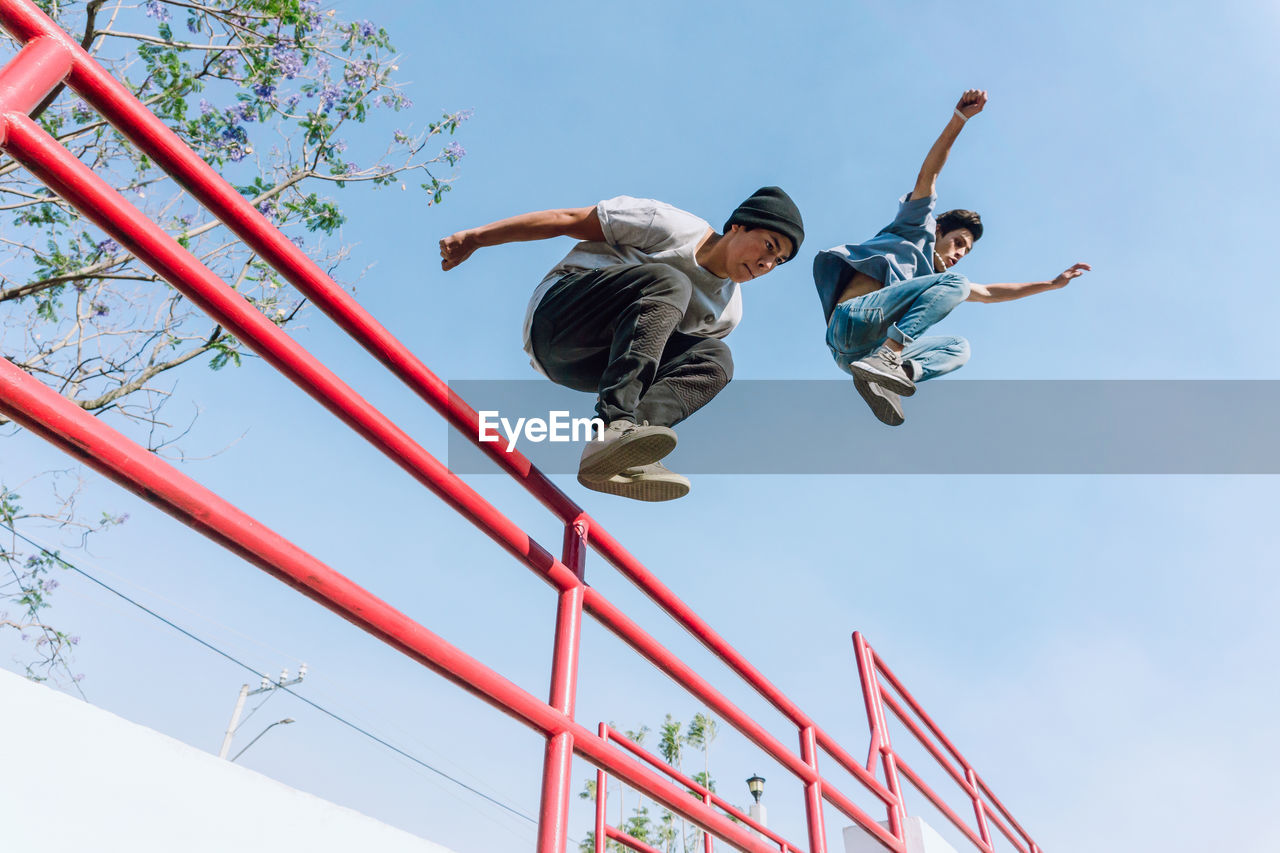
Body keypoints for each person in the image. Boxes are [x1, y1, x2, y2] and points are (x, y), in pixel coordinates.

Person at [440, 187, 804, 501]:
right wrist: (474, 238)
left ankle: (622, 450)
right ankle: (614, 424)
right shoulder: (668, 225)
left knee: (717, 359)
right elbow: (566, 219)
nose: (766, 262)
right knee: (671, 283)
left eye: (778, 260)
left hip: (588, 367)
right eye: (768, 245)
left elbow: (666, 366)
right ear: (737, 226)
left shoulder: (727, 312)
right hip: (558, 318)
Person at [812, 90, 1091, 426]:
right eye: (957, 242)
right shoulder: (915, 227)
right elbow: (928, 174)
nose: (959, 253)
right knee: (955, 284)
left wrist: (1051, 284)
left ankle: (889, 374)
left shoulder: (933, 285)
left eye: (965, 251)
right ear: (939, 229)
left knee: (959, 348)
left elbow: (990, 293)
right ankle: (889, 357)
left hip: (853, 357)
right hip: (852, 319)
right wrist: (959, 120)